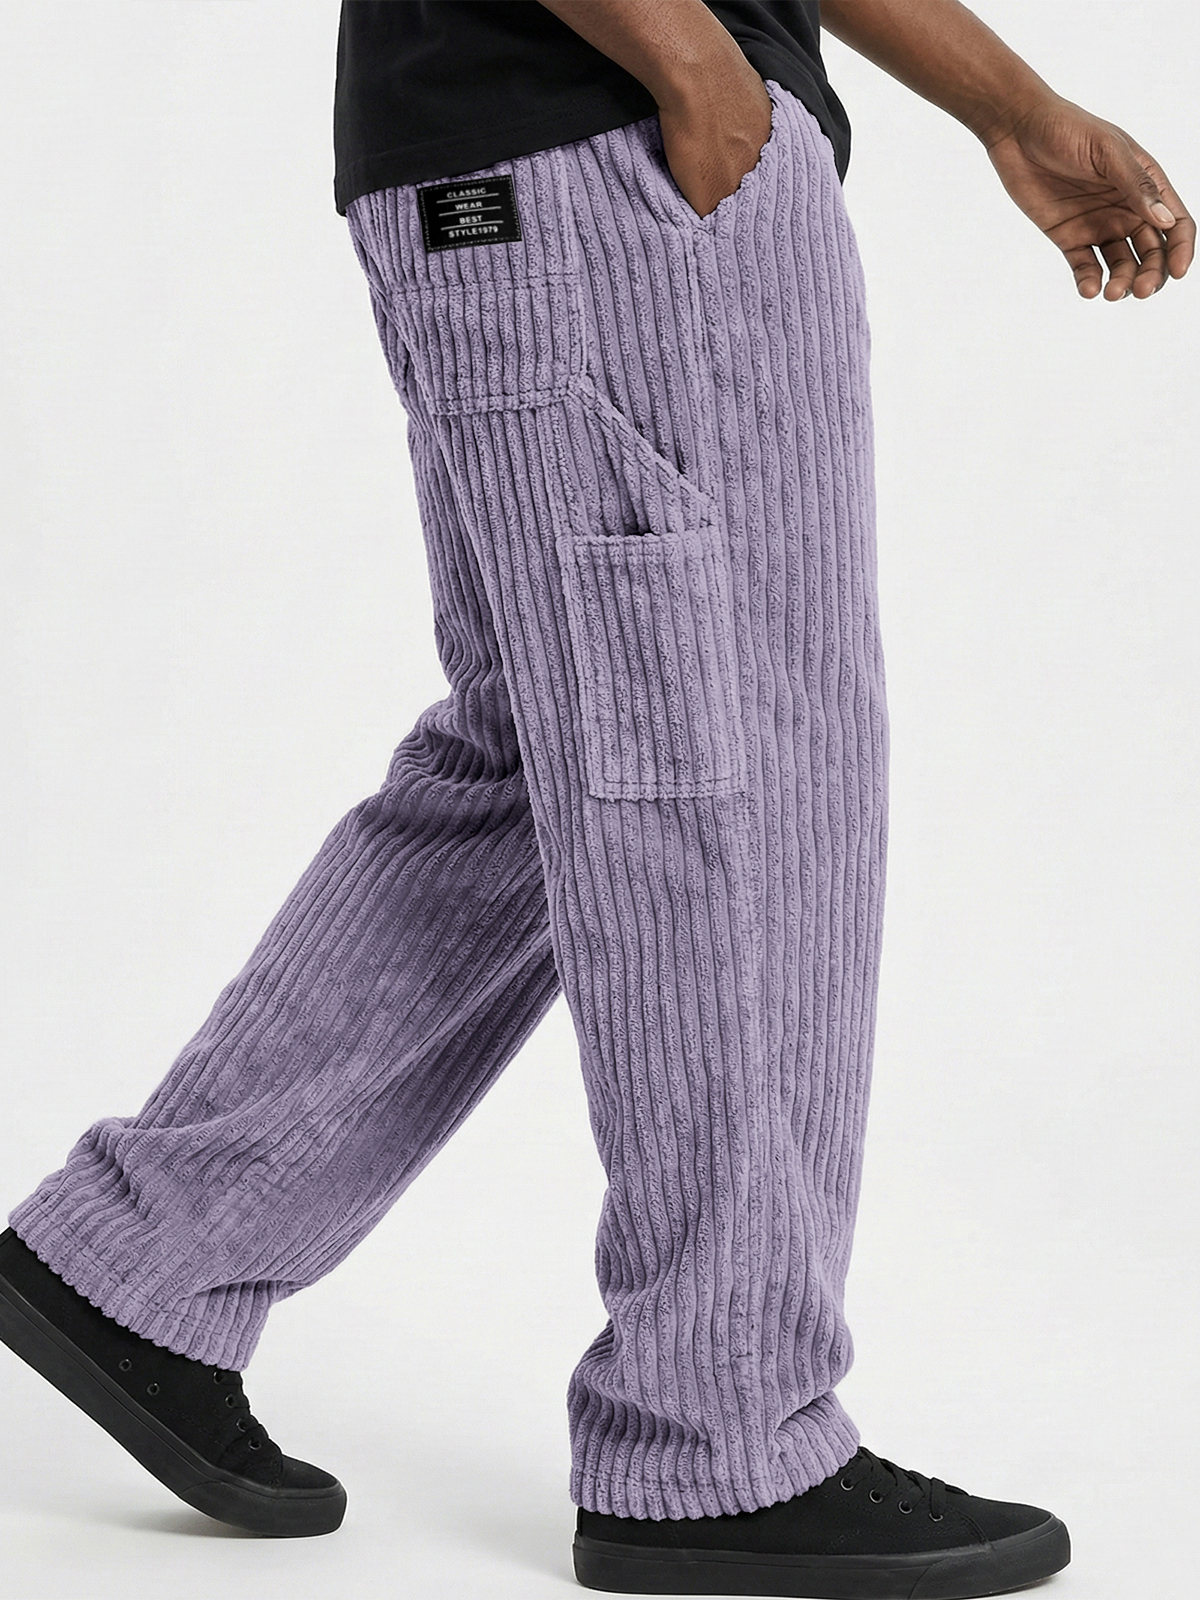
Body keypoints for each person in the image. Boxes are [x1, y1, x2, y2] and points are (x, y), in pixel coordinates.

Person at [0, 1, 1190, 1593]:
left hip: (553, 164)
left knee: (560, 756)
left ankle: (147, 1253)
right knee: (732, 768)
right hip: (614, 147)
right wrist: (697, 72)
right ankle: (718, 1435)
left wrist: (1009, 107)